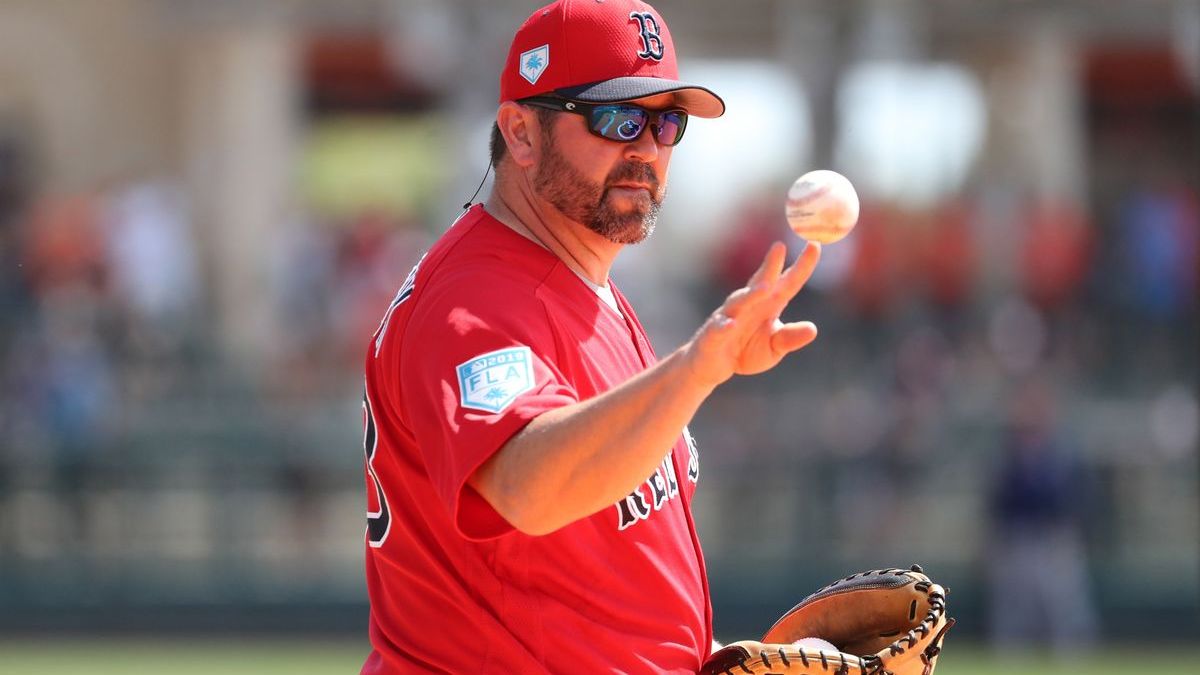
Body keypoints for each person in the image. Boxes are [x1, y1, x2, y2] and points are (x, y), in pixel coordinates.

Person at [360, 1, 822, 672]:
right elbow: (530, 486)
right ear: (521, 133)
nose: (647, 149)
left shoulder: (586, 286)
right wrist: (698, 367)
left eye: (668, 124)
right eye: (617, 118)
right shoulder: (474, 301)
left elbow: (603, 589)